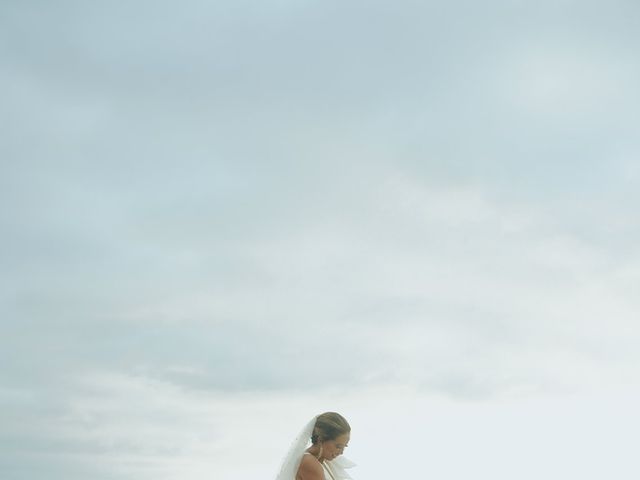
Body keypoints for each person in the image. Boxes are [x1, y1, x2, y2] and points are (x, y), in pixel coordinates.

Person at [275, 412, 355, 480]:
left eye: (345, 446)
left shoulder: (324, 462)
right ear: (321, 440)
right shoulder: (309, 462)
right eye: (338, 446)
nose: (341, 452)